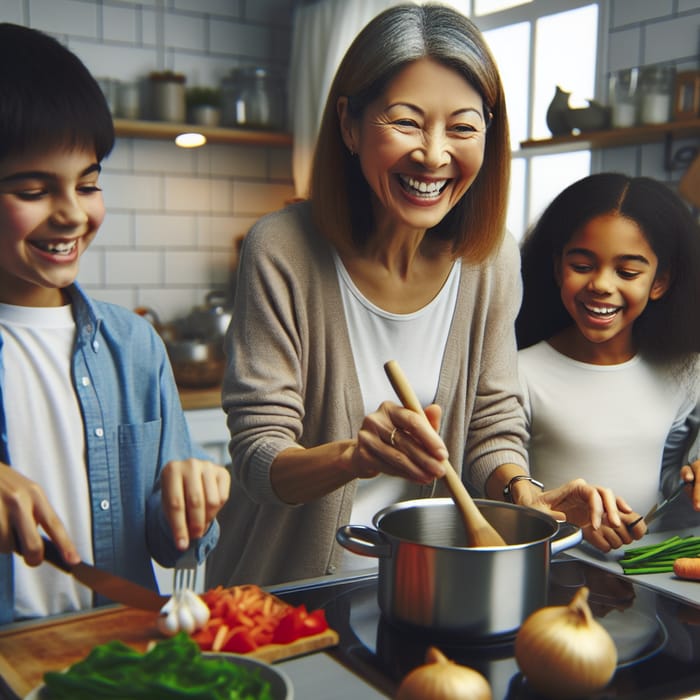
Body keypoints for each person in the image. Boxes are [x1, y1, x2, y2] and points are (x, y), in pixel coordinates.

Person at [206, 3, 618, 589]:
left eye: (462, 127)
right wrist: (356, 455)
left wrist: (525, 493)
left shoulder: (490, 259)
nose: (433, 153)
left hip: (422, 588)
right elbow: (258, 458)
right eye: (405, 121)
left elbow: (492, 424)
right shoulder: (282, 249)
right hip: (286, 593)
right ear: (349, 125)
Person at [0, 23, 231, 623]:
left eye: (89, 183)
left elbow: (175, 542)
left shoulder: (134, 346)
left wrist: (192, 500)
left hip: (110, 658)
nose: (73, 213)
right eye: (33, 188)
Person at [516, 173, 700, 552]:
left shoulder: (685, 373)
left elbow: (670, 481)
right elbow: (496, 492)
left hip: (646, 582)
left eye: (628, 272)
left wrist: (691, 481)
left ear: (660, 281)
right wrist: (568, 524)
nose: (601, 284)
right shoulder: (518, 372)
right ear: (556, 268)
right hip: (550, 576)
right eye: (582, 265)